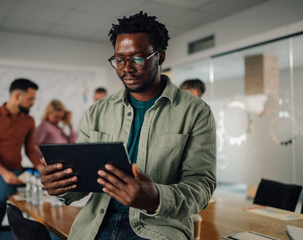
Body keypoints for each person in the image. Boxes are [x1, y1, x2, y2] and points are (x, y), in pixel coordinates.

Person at [40, 11, 216, 240]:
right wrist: (61, 184)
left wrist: (156, 198)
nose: (126, 68)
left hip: (158, 227)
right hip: (95, 225)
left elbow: (201, 185)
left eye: (138, 58)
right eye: (119, 59)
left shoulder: (196, 112)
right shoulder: (97, 111)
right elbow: (82, 183)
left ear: (160, 57)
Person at [0, 78, 44, 228]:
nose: (33, 103)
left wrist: (41, 168)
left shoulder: (29, 121)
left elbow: (30, 149)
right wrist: (3, 172)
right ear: (17, 96)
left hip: (13, 171)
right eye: (30, 99)